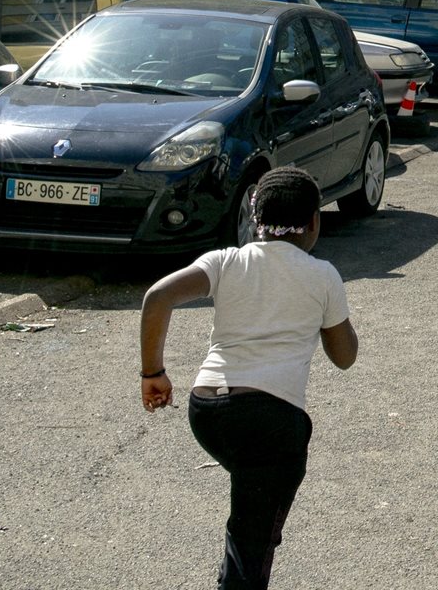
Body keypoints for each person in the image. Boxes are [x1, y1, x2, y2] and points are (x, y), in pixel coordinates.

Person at [138, 167, 358, 590]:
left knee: (250, 516)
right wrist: (334, 316)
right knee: (254, 538)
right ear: (314, 221)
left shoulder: (225, 261)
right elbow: (344, 357)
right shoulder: (322, 274)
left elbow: (157, 297)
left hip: (209, 411)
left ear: (255, 220)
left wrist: (154, 374)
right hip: (271, 421)